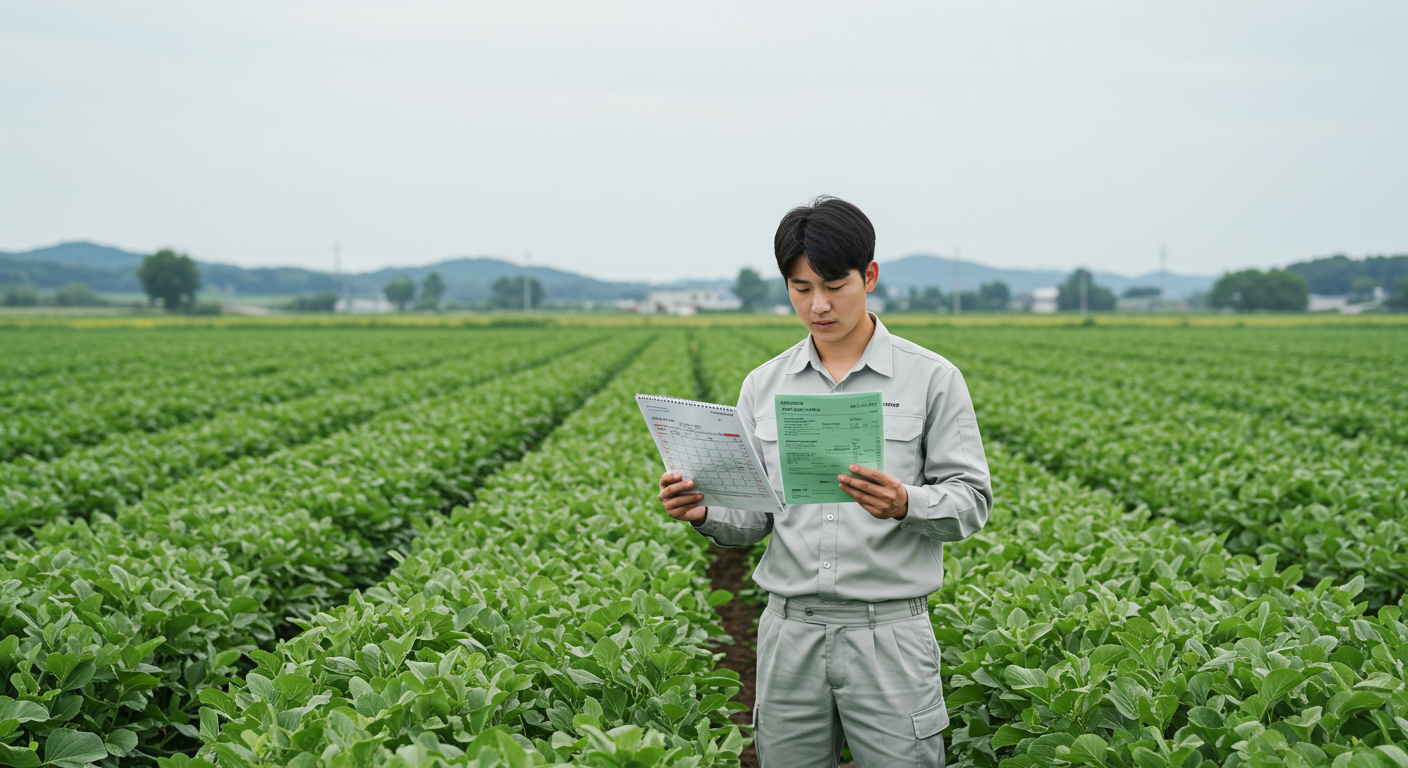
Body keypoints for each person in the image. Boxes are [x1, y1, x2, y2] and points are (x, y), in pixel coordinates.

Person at [657, 196, 992, 767]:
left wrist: (905, 502)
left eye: (834, 285)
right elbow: (756, 520)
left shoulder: (931, 378)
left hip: (888, 632)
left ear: (870, 276)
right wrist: (705, 512)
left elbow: (971, 503)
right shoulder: (763, 386)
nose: (818, 305)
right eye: (800, 287)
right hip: (790, 632)